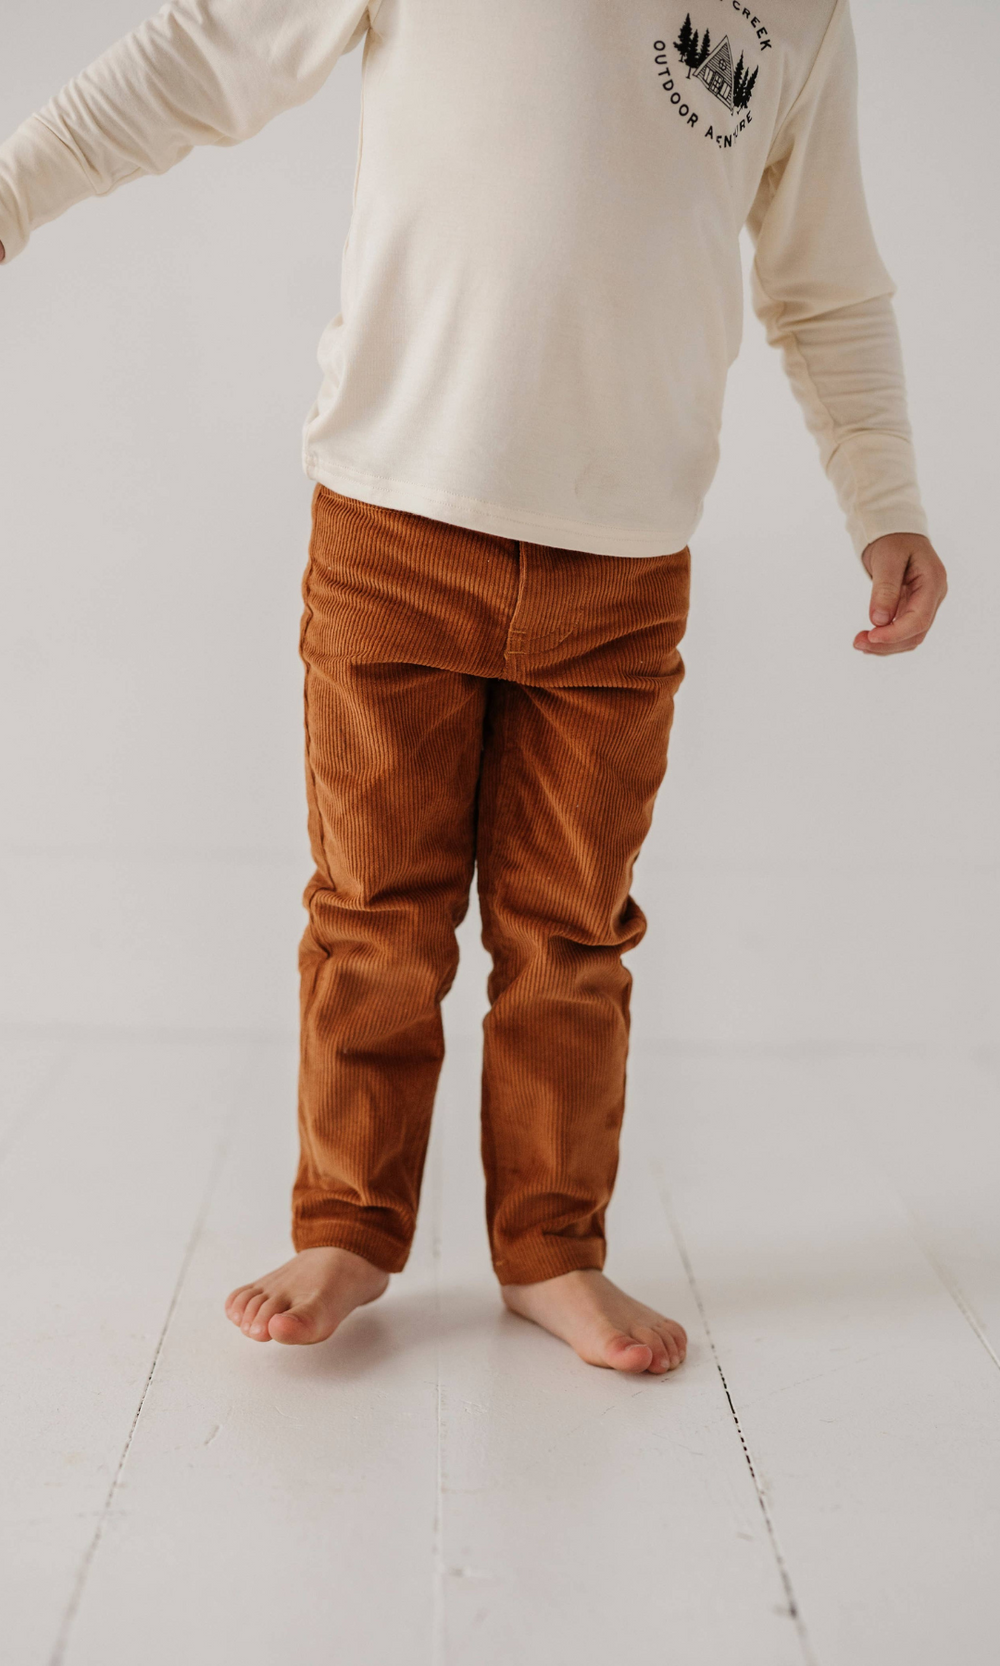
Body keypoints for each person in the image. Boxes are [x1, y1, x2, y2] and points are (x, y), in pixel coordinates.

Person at [0, 0, 947, 1376]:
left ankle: (552, 1244)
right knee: (377, 909)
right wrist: (17, 183)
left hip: (622, 566)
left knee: (573, 932)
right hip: (395, 521)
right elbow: (206, 54)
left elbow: (827, 282)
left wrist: (886, 495)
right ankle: (350, 1224)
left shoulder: (798, 18)